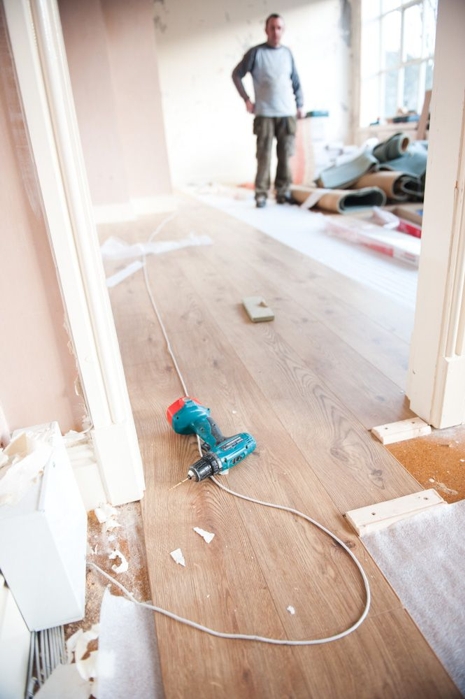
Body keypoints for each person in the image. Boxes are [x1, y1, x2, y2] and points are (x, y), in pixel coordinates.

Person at [232, 13, 305, 208]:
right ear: (266, 30)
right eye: (272, 28)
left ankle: (283, 191)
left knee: (285, 155)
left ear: (283, 30)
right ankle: (261, 194)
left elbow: (296, 82)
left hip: (286, 113)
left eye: (279, 28)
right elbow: (236, 75)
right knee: (264, 156)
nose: (275, 32)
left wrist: (299, 105)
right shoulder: (256, 53)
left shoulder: (287, 54)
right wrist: (247, 100)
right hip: (264, 113)